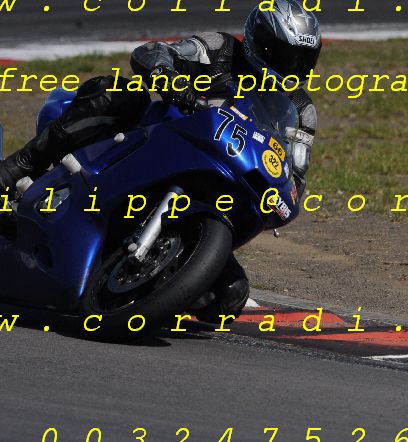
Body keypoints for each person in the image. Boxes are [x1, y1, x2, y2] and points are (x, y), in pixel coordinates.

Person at [0, 0, 322, 322]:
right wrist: (173, 82)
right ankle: (17, 167)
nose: (293, 66)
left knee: (230, 296)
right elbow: (154, 53)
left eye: (303, 59)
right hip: (163, 142)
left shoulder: (301, 110)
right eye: (285, 54)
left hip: (222, 182)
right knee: (123, 94)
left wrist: (285, 192)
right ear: (259, 40)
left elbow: (296, 172)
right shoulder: (220, 49)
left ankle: (152, 286)